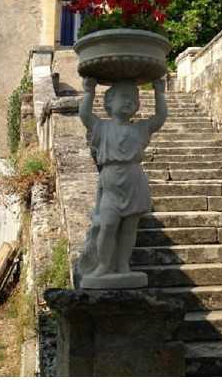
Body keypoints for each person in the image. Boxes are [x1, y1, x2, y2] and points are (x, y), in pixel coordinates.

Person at [74, 75, 168, 286]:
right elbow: (85, 115)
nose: (129, 102)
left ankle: (123, 265)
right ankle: (104, 265)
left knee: (129, 228)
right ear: (109, 102)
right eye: (124, 97)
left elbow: (160, 117)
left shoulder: (140, 128)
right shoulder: (102, 127)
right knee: (107, 225)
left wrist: (158, 92)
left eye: (134, 99)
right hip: (111, 183)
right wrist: (89, 91)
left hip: (134, 181)